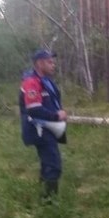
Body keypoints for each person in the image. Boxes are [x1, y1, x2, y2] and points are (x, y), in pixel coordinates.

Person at [19, 49, 67, 202]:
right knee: (53, 164)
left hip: (48, 128)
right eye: (49, 62)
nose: (53, 65)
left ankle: (43, 195)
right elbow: (34, 109)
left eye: (53, 62)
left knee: (48, 162)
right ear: (39, 64)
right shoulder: (31, 82)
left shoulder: (46, 81)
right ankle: (49, 202)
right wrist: (56, 115)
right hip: (39, 128)